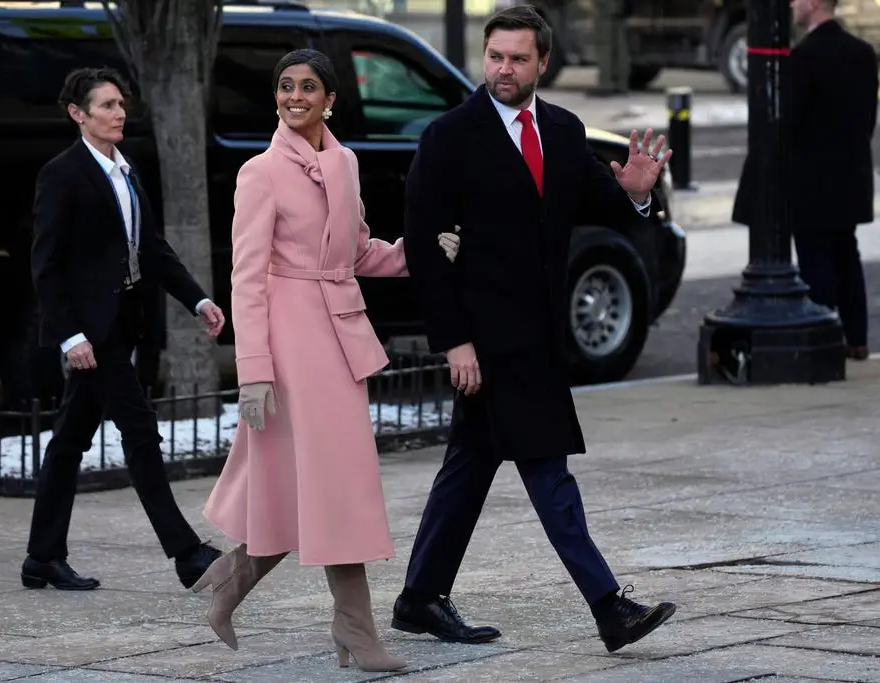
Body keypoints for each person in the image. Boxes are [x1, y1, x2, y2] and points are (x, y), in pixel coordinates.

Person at [393, 5, 678, 654]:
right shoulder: (450, 137)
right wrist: (454, 338)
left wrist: (634, 192)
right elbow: (423, 246)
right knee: (548, 471)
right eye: (494, 56)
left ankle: (418, 597)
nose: (503, 68)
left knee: (468, 466)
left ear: (541, 63)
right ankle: (609, 606)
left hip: (539, 337)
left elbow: (598, 204)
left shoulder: (562, 128)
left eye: (517, 58)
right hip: (488, 343)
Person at [193, 49, 461, 671]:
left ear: (330, 99)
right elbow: (246, 278)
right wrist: (254, 369)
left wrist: (422, 251)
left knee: (315, 488)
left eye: (308, 87)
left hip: (339, 340)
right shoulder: (259, 172)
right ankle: (357, 632)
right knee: (329, 487)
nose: (294, 97)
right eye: (285, 87)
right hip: (288, 342)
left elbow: (358, 251)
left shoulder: (344, 162)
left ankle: (232, 581)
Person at [23, 67, 225, 591]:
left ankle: (41, 556)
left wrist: (197, 298)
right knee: (140, 431)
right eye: (107, 105)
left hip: (124, 324)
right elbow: (46, 266)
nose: (119, 113)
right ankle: (186, 554)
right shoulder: (62, 174)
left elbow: (151, 249)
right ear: (78, 114)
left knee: (68, 442)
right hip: (93, 334)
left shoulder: (126, 171)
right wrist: (71, 336)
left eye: (121, 104)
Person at [733, 0, 877, 360]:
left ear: (814, 3)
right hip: (849, 176)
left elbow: (784, 125)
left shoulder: (802, 59)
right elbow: (867, 121)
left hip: (810, 182)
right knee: (846, 255)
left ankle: (825, 336)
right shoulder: (863, 53)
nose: (792, 5)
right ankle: (856, 338)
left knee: (817, 265)